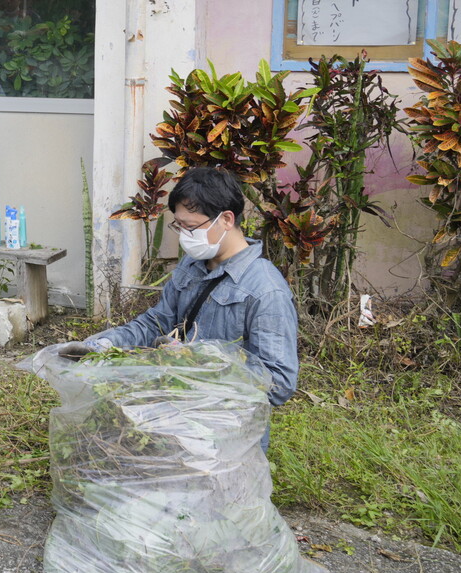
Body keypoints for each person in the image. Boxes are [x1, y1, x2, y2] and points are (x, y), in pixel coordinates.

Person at [63, 166, 299, 417]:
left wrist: (195, 361)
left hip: (226, 428)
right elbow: (157, 322)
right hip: (177, 408)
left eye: (192, 227)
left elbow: (278, 383)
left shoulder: (265, 290)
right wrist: (105, 345)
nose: (185, 236)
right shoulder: (193, 265)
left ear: (227, 220)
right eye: (180, 226)